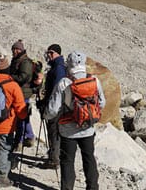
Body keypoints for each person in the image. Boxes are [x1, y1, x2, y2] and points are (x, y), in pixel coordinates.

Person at [45, 51, 105, 190]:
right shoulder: (94, 80)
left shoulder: (64, 83)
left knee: (67, 161)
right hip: (88, 128)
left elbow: (53, 109)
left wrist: (45, 115)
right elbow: (101, 103)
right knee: (89, 158)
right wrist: (89, 114)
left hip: (68, 130)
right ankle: (92, 187)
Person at [0, 56, 28, 188]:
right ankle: (1, 177)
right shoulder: (12, 85)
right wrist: (25, 115)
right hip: (5, 125)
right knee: (3, 149)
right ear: (7, 69)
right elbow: (20, 108)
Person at [38, 44, 67, 169]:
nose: (48, 55)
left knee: (53, 131)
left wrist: (47, 103)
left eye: (50, 52)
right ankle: (54, 156)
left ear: (56, 53)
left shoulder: (58, 68)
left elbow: (57, 89)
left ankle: (54, 160)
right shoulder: (57, 66)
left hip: (56, 105)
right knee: (53, 131)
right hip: (57, 104)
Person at [9, 39, 36, 148]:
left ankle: (20, 140)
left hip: (23, 92)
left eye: (16, 49)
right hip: (17, 91)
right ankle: (29, 136)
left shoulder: (25, 62)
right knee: (23, 116)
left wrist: (10, 78)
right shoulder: (17, 59)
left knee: (21, 116)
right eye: (13, 49)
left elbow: (24, 77)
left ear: (21, 50)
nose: (14, 51)